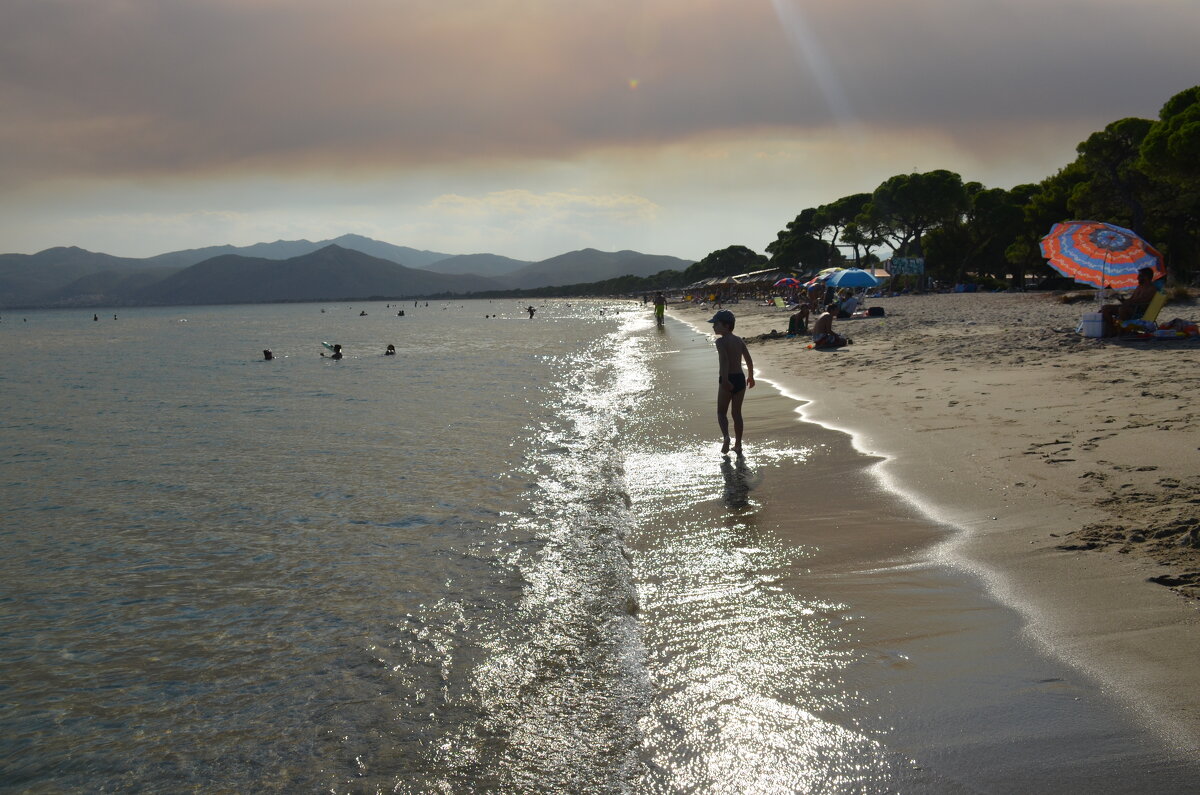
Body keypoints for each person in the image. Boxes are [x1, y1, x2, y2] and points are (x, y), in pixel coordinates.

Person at [709, 309, 755, 455]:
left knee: (721, 412)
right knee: (737, 414)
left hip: (727, 378)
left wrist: (725, 380)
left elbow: (724, 361)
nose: (713, 326)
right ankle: (738, 444)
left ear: (727, 325)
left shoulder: (720, 341)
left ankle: (727, 437)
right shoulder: (739, 340)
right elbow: (748, 360)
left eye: (716, 324)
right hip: (740, 379)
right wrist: (751, 376)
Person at [1101, 267, 1159, 334]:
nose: (1137, 278)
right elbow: (1132, 299)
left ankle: (1121, 330)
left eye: (1140, 275)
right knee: (1105, 308)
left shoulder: (1151, 289)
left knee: (1122, 309)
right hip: (1130, 306)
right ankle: (1112, 329)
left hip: (1138, 310)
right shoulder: (1139, 287)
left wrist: (1129, 302)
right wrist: (1124, 300)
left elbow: (1143, 301)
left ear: (1146, 277)